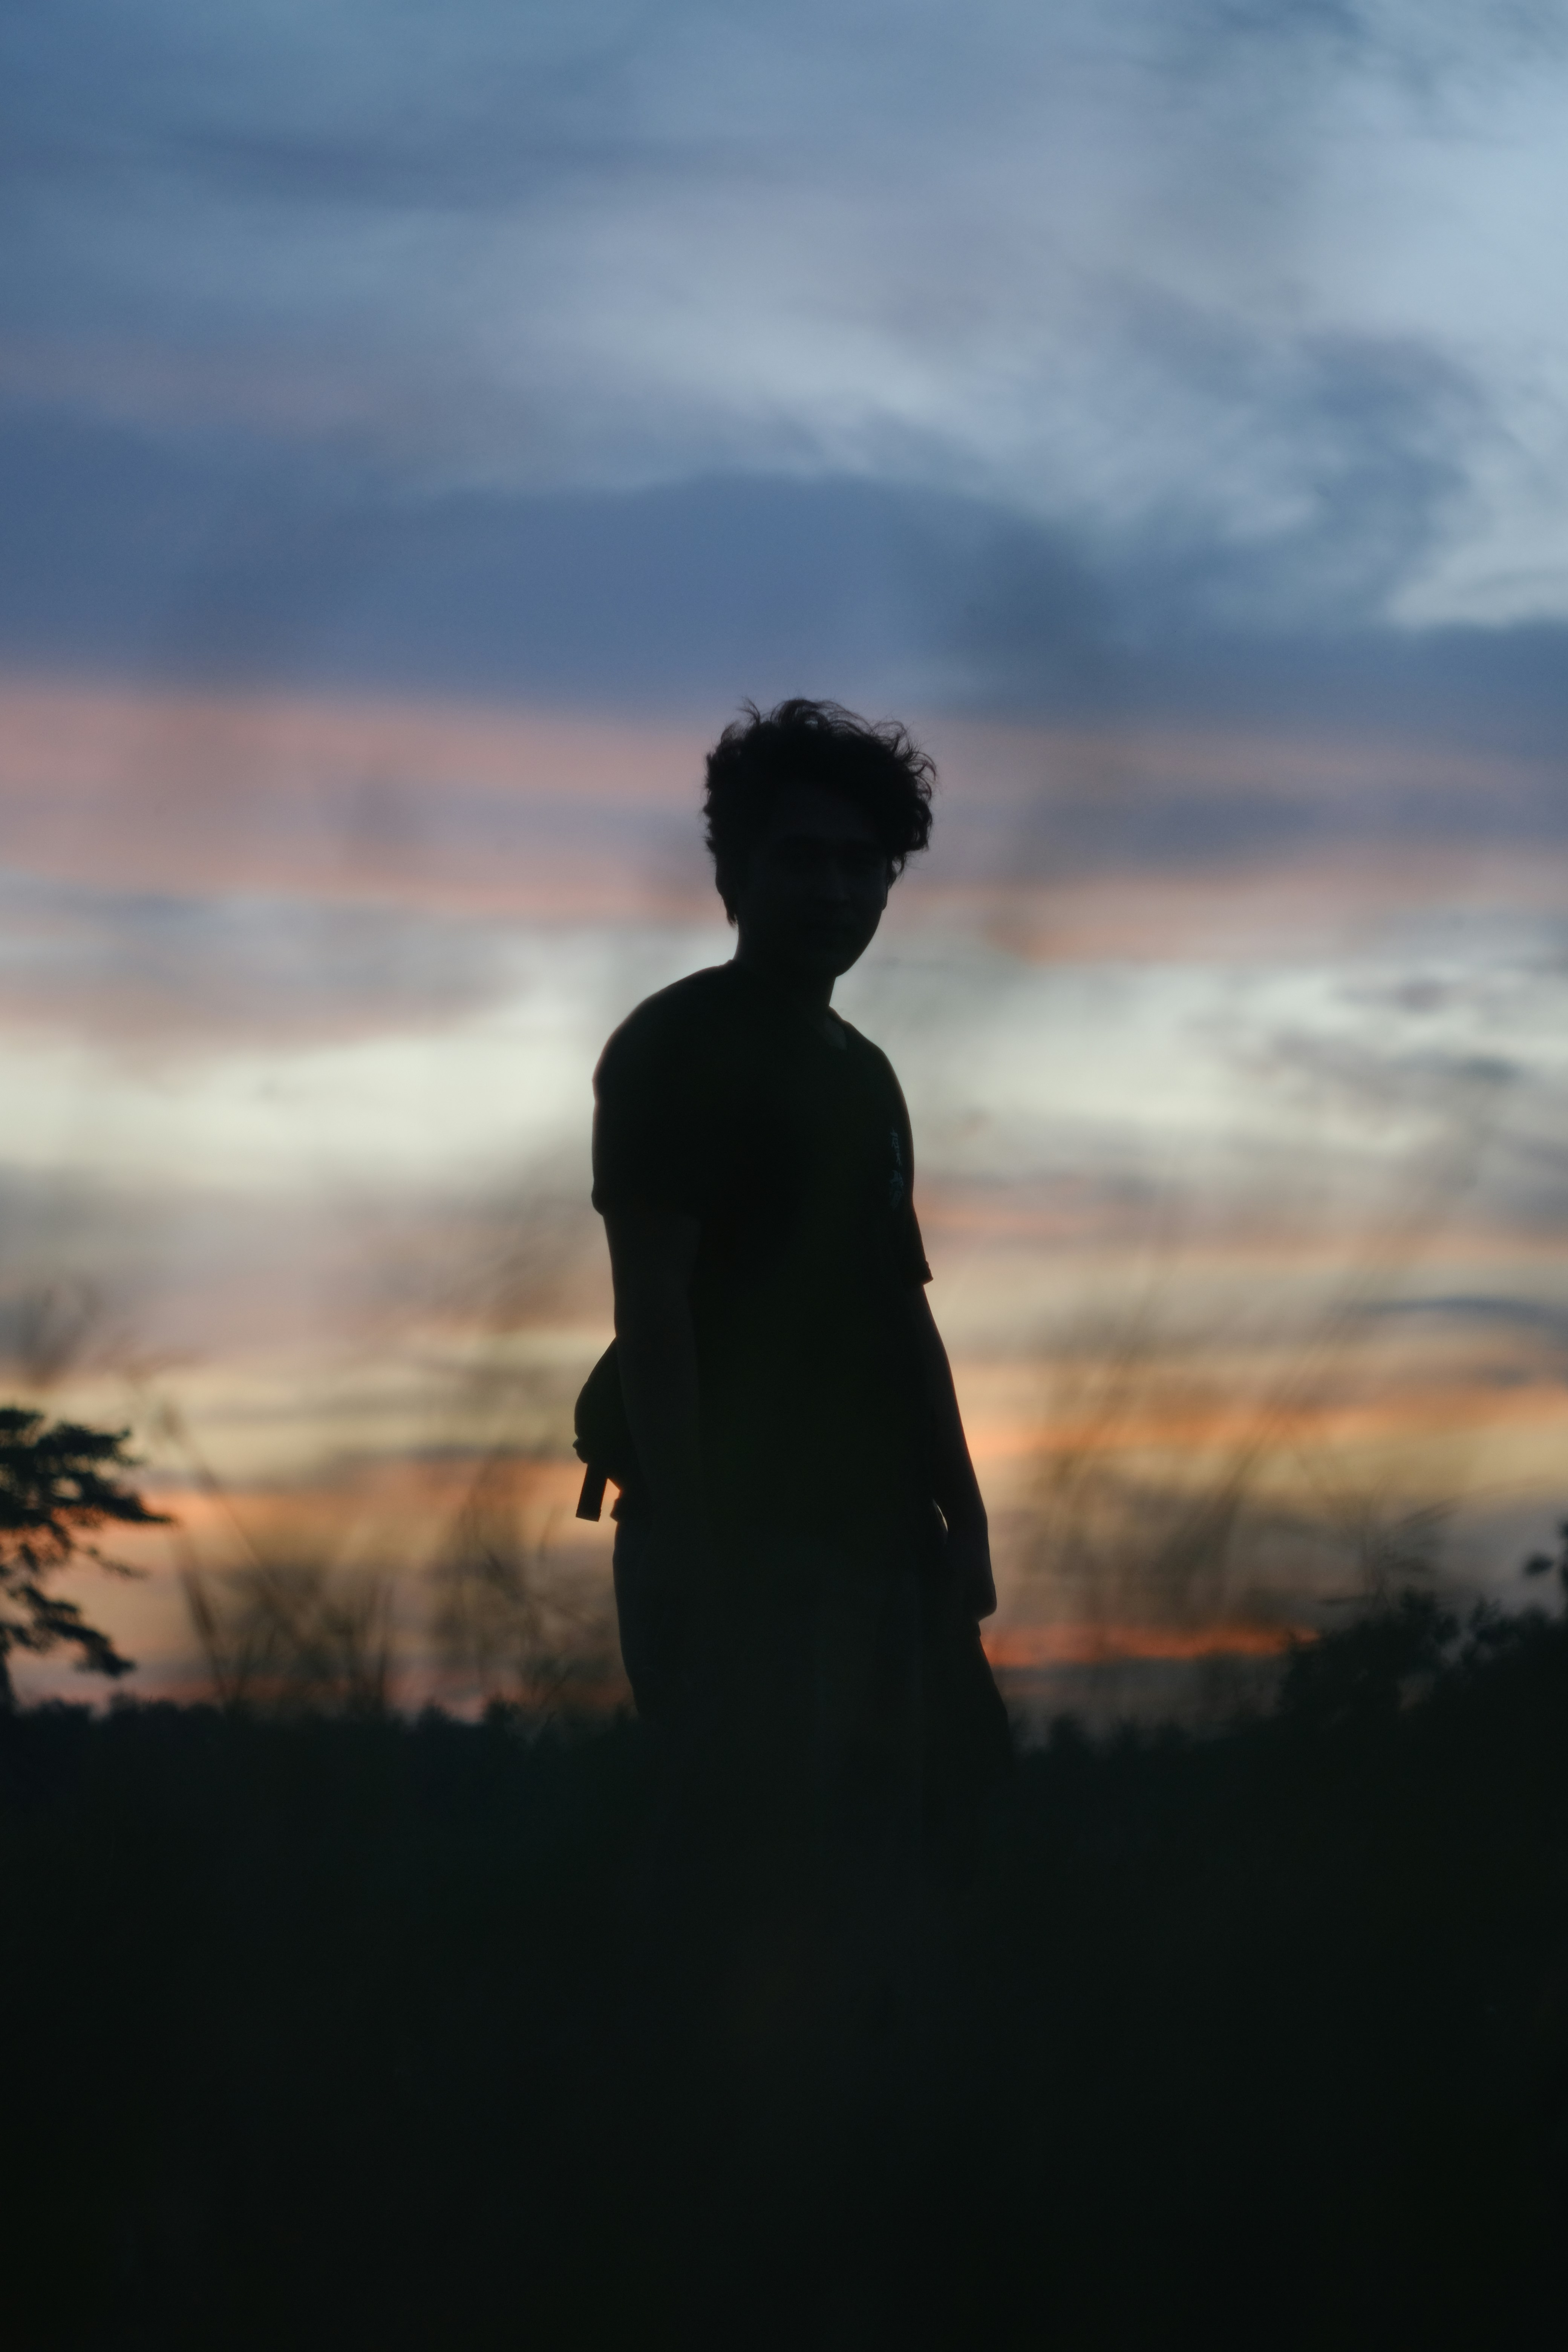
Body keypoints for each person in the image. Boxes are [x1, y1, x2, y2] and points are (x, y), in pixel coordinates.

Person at [577, 698, 1009, 1953]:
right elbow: (652, 1304)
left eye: (861, 864)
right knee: (751, 1898)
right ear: (734, 874)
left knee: (926, 1876)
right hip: (744, 1544)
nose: (833, 889)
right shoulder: (678, 1045)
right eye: (801, 859)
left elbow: (900, 1309)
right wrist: (694, 1537)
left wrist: (966, 1517)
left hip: (880, 1538)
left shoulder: (862, 1072)